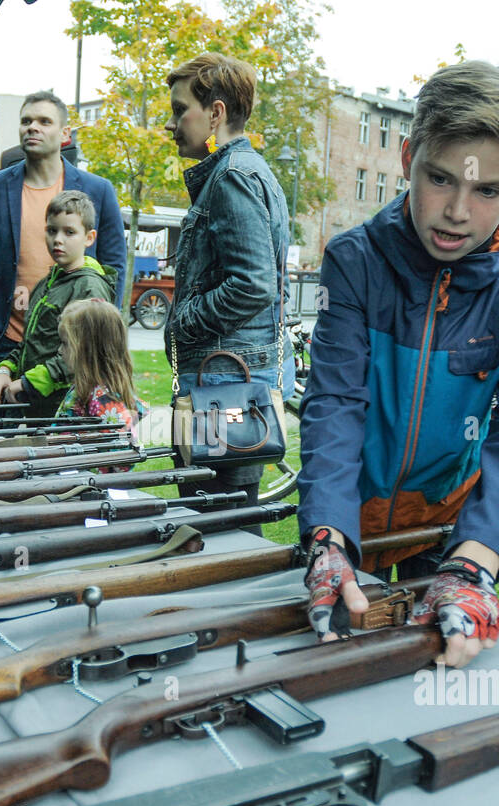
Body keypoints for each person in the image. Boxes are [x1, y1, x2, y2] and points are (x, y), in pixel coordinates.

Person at [297, 60, 499, 664]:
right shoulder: (354, 260)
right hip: (350, 509)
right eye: (440, 179)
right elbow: (336, 402)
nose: (457, 212)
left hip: (450, 524)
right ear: (406, 155)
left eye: (488, 191)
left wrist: (477, 561)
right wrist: (326, 535)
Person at [163, 53, 294, 529]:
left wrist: (184, 319)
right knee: (228, 515)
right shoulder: (240, 170)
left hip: (224, 384)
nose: (172, 123)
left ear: (215, 114)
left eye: (181, 111)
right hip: (229, 382)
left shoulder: (232, 176)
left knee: (219, 524)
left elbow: (253, 283)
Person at [0, 91, 127, 391]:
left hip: (71, 348)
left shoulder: (97, 190)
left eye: (44, 121)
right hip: (5, 343)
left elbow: (114, 266)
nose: (32, 127)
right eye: (26, 121)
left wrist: (98, 334)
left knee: (63, 437)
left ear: (64, 133)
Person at [0, 191, 117, 418]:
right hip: (37, 407)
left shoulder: (90, 287)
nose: (58, 239)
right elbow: (31, 343)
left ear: (89, 237)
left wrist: (29, 383)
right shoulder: (47, 282)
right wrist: (4, 369)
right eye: (52, 230)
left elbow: (85, 354)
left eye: (69, 232)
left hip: (67, 411)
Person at [55, 299, 148, 434]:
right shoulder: (90, 390)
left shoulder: (104, 405)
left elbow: (112, 453)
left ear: (87, 349)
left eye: (65, 343)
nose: (60, 350)